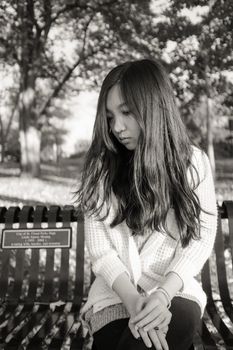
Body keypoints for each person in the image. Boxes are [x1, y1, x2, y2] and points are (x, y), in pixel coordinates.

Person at [76, 58, 218, 350]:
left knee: (158, 332)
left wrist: (162, 295)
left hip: (175, 291)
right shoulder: (101, 170)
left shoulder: (193, 164)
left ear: (154, 107)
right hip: (116, 295)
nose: (117, 126)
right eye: (110, 116)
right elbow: (101, 252)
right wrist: (134, 300)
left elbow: (200, 239)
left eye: (126, 112)